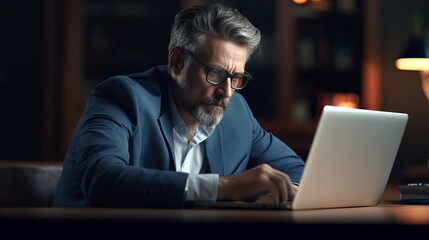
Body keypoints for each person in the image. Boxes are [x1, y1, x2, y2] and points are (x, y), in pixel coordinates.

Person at [52, 3, 304, 208]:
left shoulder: (237, 113)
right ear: (176, 62)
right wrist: (226, 187)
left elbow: (301, 171)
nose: (226, 92)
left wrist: (280, 190)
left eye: (236, 78)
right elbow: (103, 180)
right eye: (215, 73)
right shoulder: (122, 97)